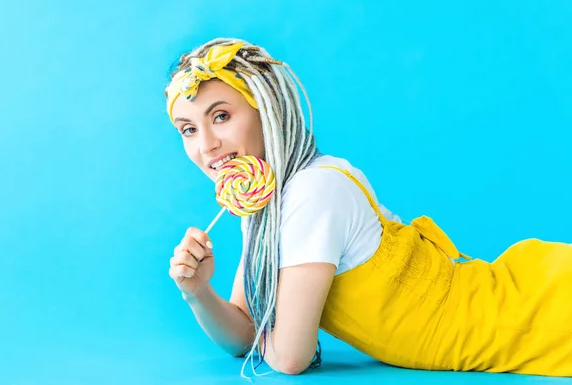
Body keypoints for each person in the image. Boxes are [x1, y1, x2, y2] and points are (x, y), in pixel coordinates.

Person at [164, 38, 572, 379]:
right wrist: (197, 292)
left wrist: (267, 329)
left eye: (221, 116)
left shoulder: (313, 190)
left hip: (530, 317)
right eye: (188, 129)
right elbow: (245, 335)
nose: (206, 146)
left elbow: (289, 357)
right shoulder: (266, 202)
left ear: (268, 110)